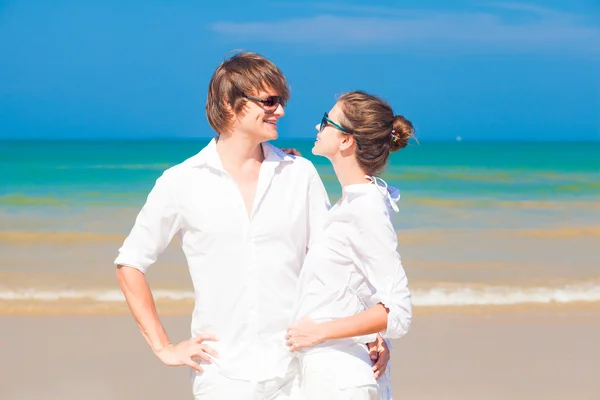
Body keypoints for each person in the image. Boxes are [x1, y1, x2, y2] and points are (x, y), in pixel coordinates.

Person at [114, 53, 390, 399]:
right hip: (221, 376)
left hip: (301, 370)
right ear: (231, 104)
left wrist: (368, 332)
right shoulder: (180, 182)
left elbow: (333, 265)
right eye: (270, 102)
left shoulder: (298, 174)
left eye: (281, 101)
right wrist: (164, 346)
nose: (281, 111)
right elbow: (130, 264)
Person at [285, 91, 414, 400]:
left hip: (341, 380)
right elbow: (355, 285)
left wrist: (320, 331)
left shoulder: (366, 206)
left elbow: (398, 311)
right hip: (326, 374)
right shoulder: (350, 202)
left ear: (346, 140)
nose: (317, 128)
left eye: (325, 122)